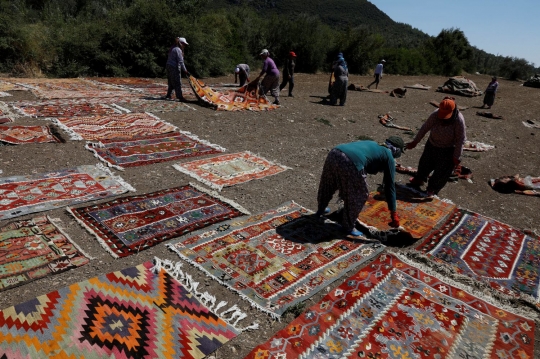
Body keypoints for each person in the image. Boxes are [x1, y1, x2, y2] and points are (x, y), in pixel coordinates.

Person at [316, 136, 405, 237]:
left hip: (334, 153)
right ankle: (348, 226)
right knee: (359, 195)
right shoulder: (389, 156)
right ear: (396, 150)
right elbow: (390, 187)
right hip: (351, 162)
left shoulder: (373, 144)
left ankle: (321, 208)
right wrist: (393, 213)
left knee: (328, 183)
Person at [406, 97, 467, 197]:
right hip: (432, 144)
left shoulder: (459, 119)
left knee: (441, 172)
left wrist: (456, 156)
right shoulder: (435, 114)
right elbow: (425, 127)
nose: (443, 118)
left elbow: (461, 139)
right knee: (424, 164)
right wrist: (415, 141)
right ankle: (419, 179)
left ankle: (432, 189)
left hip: (448, 148)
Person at [164, 37, 190, 101]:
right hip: (173, 67)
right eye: (184, 44)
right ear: (181, 43)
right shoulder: (178, 50)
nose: (184, 46)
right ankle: (180, 97)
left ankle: (169, 95)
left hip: (168, 65)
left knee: (171, 82)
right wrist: (185, 70)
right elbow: (181, 61)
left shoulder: (172, 48)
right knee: (177, 82)